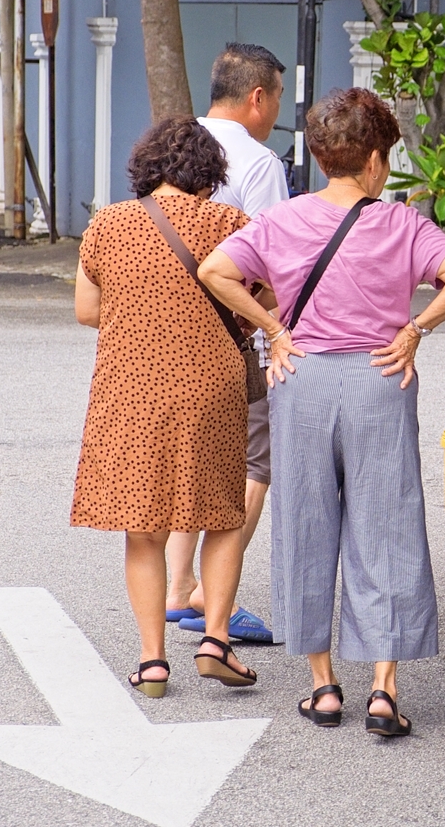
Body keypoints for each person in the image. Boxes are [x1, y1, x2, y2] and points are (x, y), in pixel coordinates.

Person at [198, 88, 445, 734]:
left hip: (299, 379)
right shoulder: (404, 224)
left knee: (305, 524)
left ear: (324, 155)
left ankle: (323, 686)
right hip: (380, 379)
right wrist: (413, 331)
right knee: (384, 528)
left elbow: (214, 271)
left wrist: (272, 329)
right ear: (377, 159)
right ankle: (383, 691)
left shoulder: (281, 220)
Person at [71, 117, 260, 699]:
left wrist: (144, 318)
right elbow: (265, 299)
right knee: (223, 514)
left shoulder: (107, 225)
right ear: (209, 174)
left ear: (146, 168)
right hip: (212, 388)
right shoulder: (230, 223)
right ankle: (216, 641)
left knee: (144, 527)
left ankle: (153, 661)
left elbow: (86, 310)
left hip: (132, 389)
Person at [166, 43, 289, 644]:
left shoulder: (173, 147)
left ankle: (176, 587)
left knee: (194, 467)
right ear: (257, 97)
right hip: (237, 342)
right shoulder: (260, 162)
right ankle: (210, 598)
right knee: (253, 466)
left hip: (171, 339)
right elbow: (274, 263)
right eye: (278, 99)